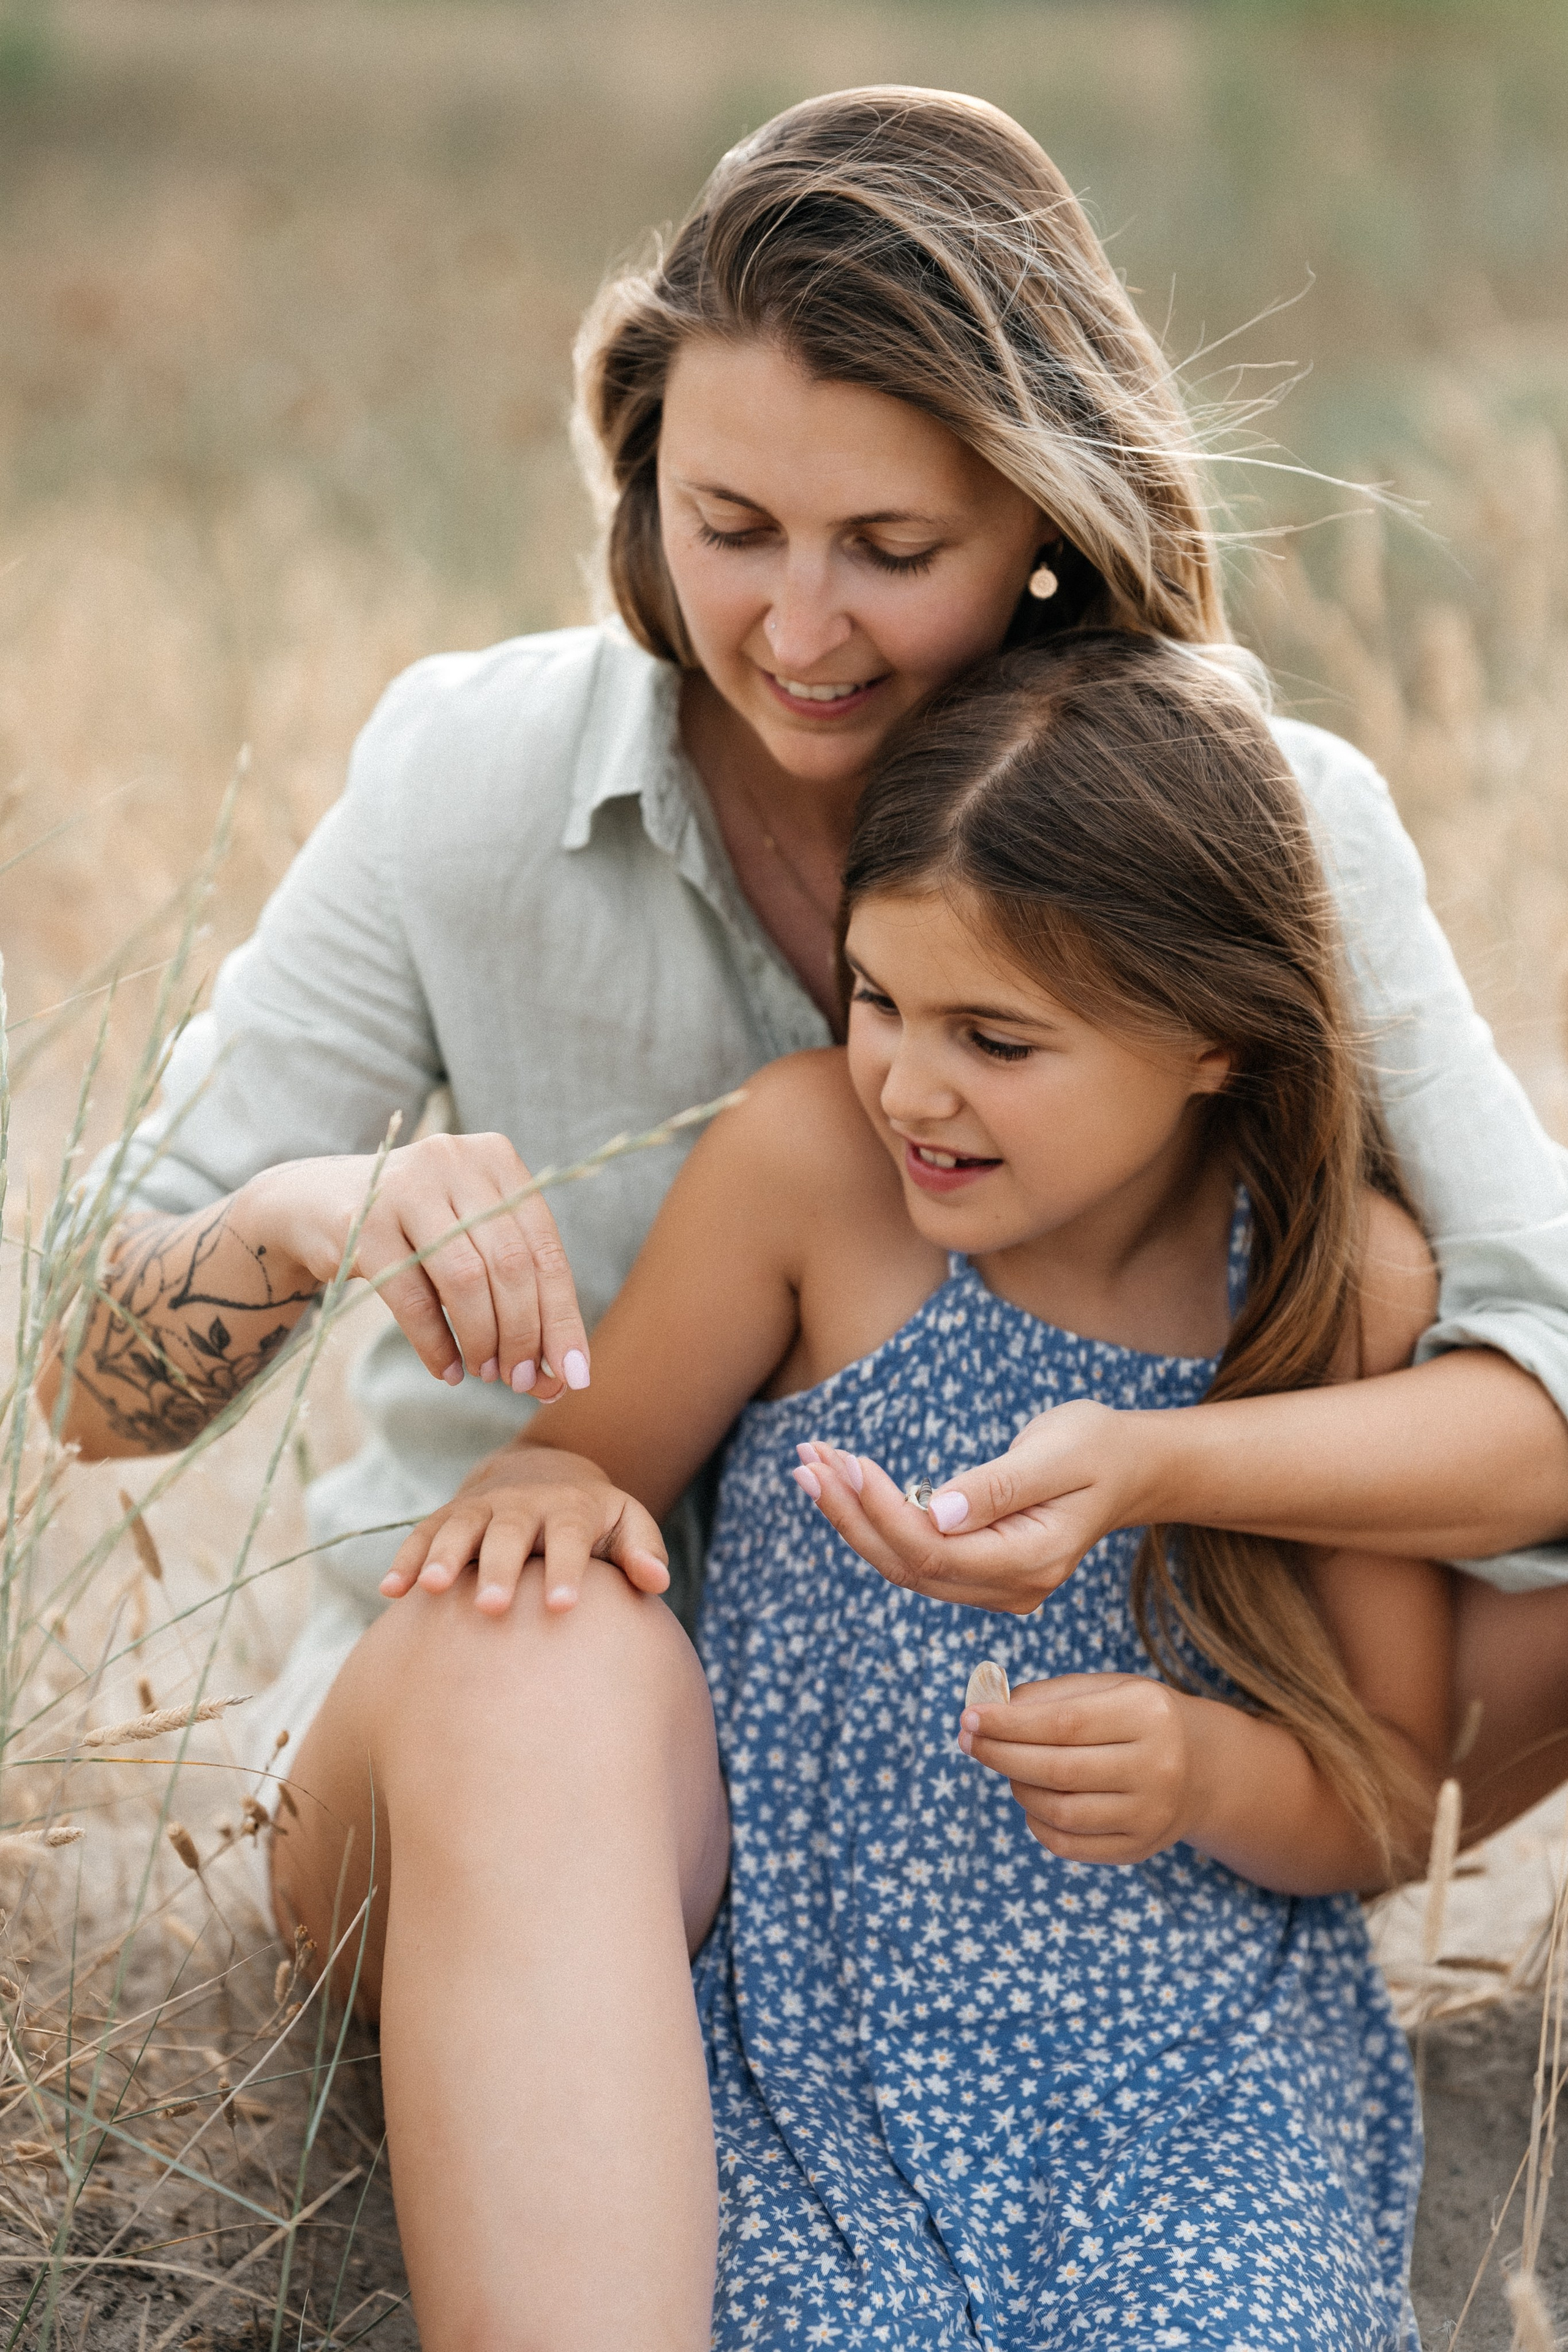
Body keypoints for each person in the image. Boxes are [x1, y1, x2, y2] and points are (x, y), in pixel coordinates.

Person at [37, 84, 1568, 2346]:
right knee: (553, 1662)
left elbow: (1537, 1379)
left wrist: (1159, 1489)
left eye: (891, 547)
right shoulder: (471, 781)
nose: (799, 625)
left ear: (1046, 528)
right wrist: (312, 1209)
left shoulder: (1244, 823)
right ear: (635, 471)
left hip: (1071, 1757)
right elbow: (87, 1380)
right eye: (727, 522)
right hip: (525, 1733)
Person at [385, 630, 1449, 2348]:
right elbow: (584, 1460)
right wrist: (557, 1496)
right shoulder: (809, 1169)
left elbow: (1388, 1803)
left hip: (1196, 2079)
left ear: (1216, 1044)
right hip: (822, 2045)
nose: (909, 1083)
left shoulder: (1337, 1291)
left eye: (998, 1040)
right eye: (880, 999)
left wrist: (1197, 1770)